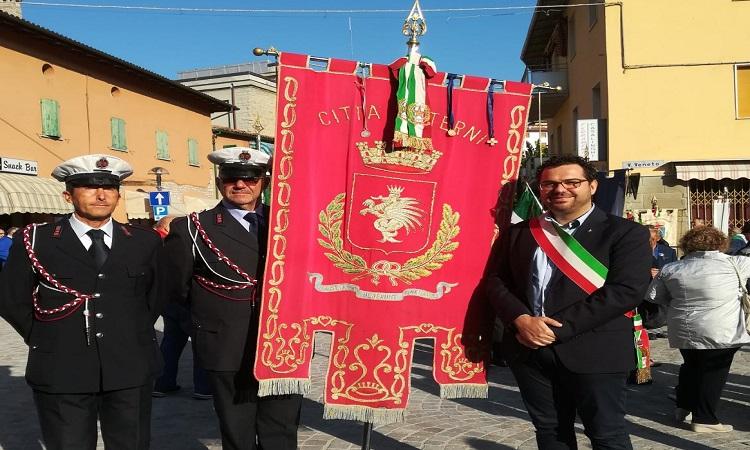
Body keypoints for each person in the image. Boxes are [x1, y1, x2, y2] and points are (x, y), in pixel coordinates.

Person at [480, 154, 651, 450]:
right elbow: (496, 281)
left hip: (595, 350)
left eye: (572, 182)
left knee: (606, 434)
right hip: (528, 349)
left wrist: (554, 330)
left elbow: (625, 291)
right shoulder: (520, 232)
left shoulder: (625, 232)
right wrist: (521, 319)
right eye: (550, 184)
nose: (560, 189)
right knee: (550, 432)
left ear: (592, 186)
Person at [0, 154, 165, 450]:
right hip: (61, 367)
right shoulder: (37, 240)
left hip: (130, 365)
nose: (101, 195)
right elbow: (11, 298)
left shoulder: (144, 241)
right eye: (89, 187)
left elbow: (156, 296)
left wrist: (128, 330)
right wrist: (45, 336)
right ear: (68, 194)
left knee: (133, 444)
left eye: (110, 188)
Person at [164, 147, 301, 450]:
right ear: (219, 181)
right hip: (226, 345)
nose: (240, 185)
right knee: (237, 433)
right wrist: (208, 324)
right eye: (231, 178)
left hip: (284, 345)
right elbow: (175, 290)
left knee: (281, 431)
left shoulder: (289, 227)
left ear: (263, 181)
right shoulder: (192, 228)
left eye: (250, 177)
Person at [646, 226, 750, 433]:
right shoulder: (738, 262)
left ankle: (683, 406)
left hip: (684, 328)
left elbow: (654, 296)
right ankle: (705, 419)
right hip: (722, 328)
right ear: (721, 243)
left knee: (692, 366)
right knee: (714, 372)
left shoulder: (672, 268)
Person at [152, 215, 213, 399]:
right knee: (200, 344)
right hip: (186, 300)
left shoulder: (151, 244)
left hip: (168, 302)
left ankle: (162, 384)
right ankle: (203, 387)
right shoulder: (179, 243)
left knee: (171, 342)